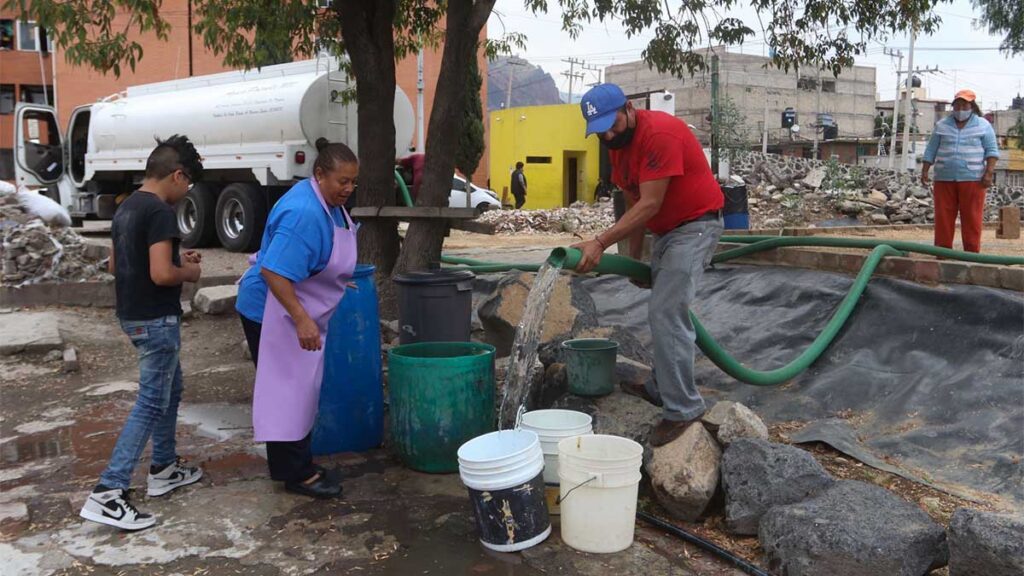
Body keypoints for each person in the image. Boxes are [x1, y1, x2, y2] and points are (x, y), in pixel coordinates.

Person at [572, 83, 724, 447]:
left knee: (667, 311)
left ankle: (683, 410)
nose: (608, 135)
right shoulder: (618, 147)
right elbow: (631, 198)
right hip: (666, 231)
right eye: (600, 131)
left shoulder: (660, 133)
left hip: (695, 226)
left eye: (612, 124)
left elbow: (651, 203)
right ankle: (661, 385)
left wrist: (600, 242)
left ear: (628, 109)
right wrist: (631, 259)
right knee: (661, 309)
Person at [79, 135, 205, 531]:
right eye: (189, 184)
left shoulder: (128, 207)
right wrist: (189, 271)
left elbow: (118, 265)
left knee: (172, 388)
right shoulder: (162, 212)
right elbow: (162, 274)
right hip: (157, 320)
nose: (187, 192)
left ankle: (164, 468)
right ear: (178, 175)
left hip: (132, 315)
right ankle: (109, 491)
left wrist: (174, 257)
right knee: (151, 401)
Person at [235, 138, 359, 499]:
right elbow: (274, 271)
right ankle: (296, 474)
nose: (348, 189)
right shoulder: (304, 212)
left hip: (293, 303)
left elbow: (319, 255)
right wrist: (302, 319)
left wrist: (335, 279)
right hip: (272, 309)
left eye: (353, 182)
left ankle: (292, 464)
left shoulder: (328, 204)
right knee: (287, 391)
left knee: (300, 389)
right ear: (320, 175)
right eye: (342, 181)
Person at [921, 89, 1000, 253]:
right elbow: (931, 150)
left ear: (972, 105)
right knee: (943, 218)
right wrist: (925, 171)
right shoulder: (941, 125)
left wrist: (989, 173)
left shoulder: (983, 125)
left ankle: (971, 255)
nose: (960, 108)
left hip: (973, 179)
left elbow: (991, 151)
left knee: (972, 218)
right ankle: (942, 253)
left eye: (964, 104)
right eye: (957, 104)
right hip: (944, 178)